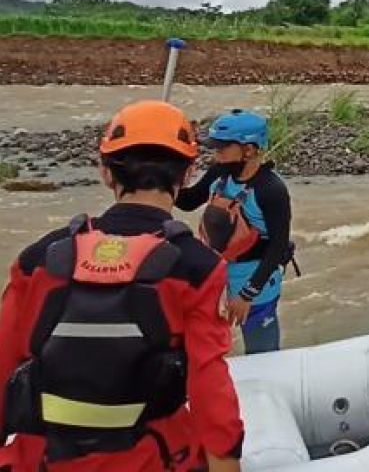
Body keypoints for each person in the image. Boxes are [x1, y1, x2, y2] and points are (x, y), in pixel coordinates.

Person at [0, 100, 243, 471]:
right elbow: (211, 389)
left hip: (41, 460)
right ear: (188, 173)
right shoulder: (198, 268)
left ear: (105, 172)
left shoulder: (38, 259)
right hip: (152, 459)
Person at [177, 109, 292, 354]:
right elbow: (189, 201)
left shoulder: (271, 190)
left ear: (248, 150)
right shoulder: (220, 172)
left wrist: (247, 295)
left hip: (255, 279)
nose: (216, 155)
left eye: (222, 149)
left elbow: (278, 246)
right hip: (216, 272)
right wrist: (166, 178)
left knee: (262, 352)